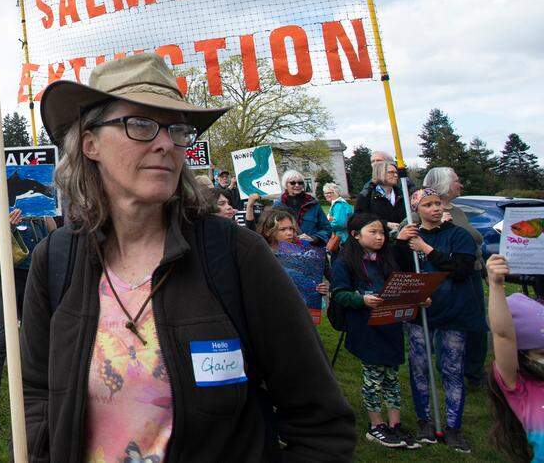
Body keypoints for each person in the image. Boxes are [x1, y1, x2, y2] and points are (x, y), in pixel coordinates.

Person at [21, 53, 354, 462]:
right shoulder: (55, 259)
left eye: (177, 130)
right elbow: (34, 390)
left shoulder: (236, 256)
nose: (165, 143)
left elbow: (321, 423)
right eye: (140, 124)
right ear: (90, 143)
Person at [395, 187, 485, 452]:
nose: (435, 208)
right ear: (417, 210)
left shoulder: (459, 235)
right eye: (428, 205)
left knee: (452, 368)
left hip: (454, 312)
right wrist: (401, 243)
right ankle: (425, 420)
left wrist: (426, 248)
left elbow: (460, 270)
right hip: (421, 313)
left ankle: (453, 426)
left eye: (438, 203)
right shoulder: (410, 236)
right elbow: (400, 271)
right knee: (420, 366)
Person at [330, 213, 419, 449]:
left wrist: (417, 298)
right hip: (366, 327)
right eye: (373, 232)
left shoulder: (386, 259)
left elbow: (400, 286)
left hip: (389, 324)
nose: (380, 237)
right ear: (355, 235)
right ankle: (376, 424)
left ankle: (395, 423)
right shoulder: (345, 261)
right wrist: (361, 300)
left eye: (381, 232)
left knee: (392, 375)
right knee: (373, 376)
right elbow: (339, 293)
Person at [0, 207, 56, 431]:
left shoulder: (37, 206)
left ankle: (42, 401)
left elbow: (52, 232)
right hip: (5, 278)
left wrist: (46, 210)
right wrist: (7, 225)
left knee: (40, 339)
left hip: (36, 276)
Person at [423, 166, 488, 386]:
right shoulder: (426, 212)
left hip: (473, 271)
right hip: (449, 275)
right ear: (444, 185)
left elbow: (473, 243)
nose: (460, 185)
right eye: (457, 181)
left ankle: (474, 371)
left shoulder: (457, 211)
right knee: (451, 324)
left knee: (477, 324)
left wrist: (486, 270)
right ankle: (451, 369)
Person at [486, 253, 544, 462]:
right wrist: (496, 285)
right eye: (541, 353)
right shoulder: (521, 388)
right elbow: (503, 336)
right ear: (522, 356)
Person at [274, 170, 332, 245]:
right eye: (293, 183)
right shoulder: (278, 205)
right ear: (286, 185)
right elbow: (271, 229)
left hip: (310, 250)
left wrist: (314, 238)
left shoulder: (313, 203)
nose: (297, 185)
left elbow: (326, 228)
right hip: (285, 249)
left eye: (300, 183)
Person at [355, 160, 406, 232]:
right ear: (379, 173)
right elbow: (359, 219)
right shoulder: (366, 196)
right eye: (391, 172)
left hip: (402, 237)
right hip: (378, 238)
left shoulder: (403, 194)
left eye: (396, 172)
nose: (396, 175)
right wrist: (385, 224)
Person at [323, 182, 353, 251]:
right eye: (325, 193)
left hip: (343, 241)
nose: (326, 195)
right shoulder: (337, 204)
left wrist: (326, 226)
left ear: (336, 192)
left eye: (329, 192)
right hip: (342, 239)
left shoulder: (339, 205)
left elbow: (339, 223)